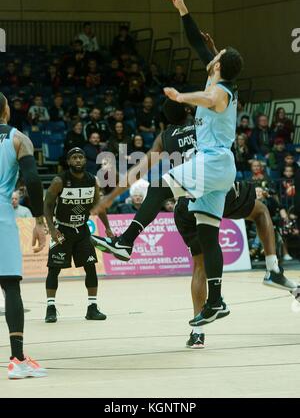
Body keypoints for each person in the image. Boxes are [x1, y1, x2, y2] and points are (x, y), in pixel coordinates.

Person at [91, 99, 297, 348]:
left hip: (184, 202)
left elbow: (138, 171)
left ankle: (197, 330)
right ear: (190, 111)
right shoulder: (204, 124)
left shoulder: (165, 137)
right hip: (213, 188)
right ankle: (272, 267)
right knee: (261, 211)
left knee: (199, 266)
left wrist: (109, 199)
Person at [94, 0, 244, 327]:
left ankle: (126, 242)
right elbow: (196, 43)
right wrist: (182, 9)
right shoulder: (216, 74)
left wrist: (180, 95)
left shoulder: (222, 89)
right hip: (221, 169)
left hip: (213, 162)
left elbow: (209, 98)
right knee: (208, 236)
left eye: (215, 54)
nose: (211, 54)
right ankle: (217, 301)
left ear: (218, 64)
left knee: (159, 187)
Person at [0, 92, 47, 379]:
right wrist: (40, 221)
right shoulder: (18, 138)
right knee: (10, 287)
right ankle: (17, 359)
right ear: (6, 111)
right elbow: (31, 180)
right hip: (2, 216)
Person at [43, 147, 113, 323]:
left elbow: (99, 204)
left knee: (90, 267)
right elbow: (48, 204)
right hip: (63, 229)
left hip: (82, 229)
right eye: (74, 157)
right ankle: (50, 308)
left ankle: (92, 308)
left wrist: (108, 227)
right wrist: (52, 229)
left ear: (84, 160)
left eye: (80, 157)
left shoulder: (92, 180)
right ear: (68, 161)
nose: (78, 160)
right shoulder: (60, 180)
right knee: (54, 269)